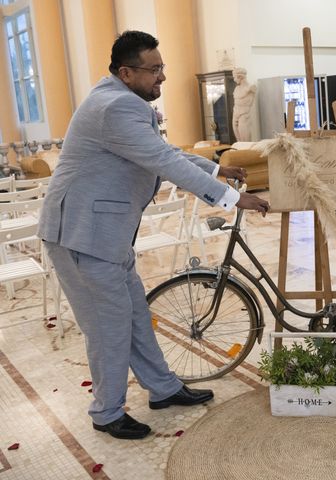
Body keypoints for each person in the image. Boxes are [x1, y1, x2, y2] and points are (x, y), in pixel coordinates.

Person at [37, 31, 270, 440]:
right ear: (126, 72)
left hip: (106, 234)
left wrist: (216, 169)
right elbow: (160, 159)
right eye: (154, 69)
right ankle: (106, 411)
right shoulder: (116, 106)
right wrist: (233, 198)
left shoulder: (119, 99)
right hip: (81, 236)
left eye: (163, 67)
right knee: (109, 326)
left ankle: (162, 388)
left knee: (135, 317)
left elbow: (164, 152)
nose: (162, 77)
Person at [232, 67, 257, 142]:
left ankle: (246, 152)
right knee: (238, 140)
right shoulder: (236, 89)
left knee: (245, 140)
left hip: (244, 114)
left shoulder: (251, 87)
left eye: (235, 77)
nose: (234, 79)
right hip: (235, 113)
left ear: (240, 77)